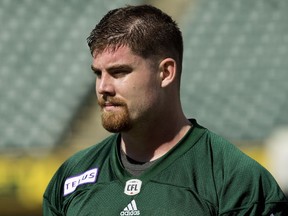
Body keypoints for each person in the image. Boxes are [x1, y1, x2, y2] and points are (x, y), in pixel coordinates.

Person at [43, 4, 288, 215]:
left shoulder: (236, 180)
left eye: (119, 72)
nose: (103, 87)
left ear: (165, 73)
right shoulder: (70, 177)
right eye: (98, 74)